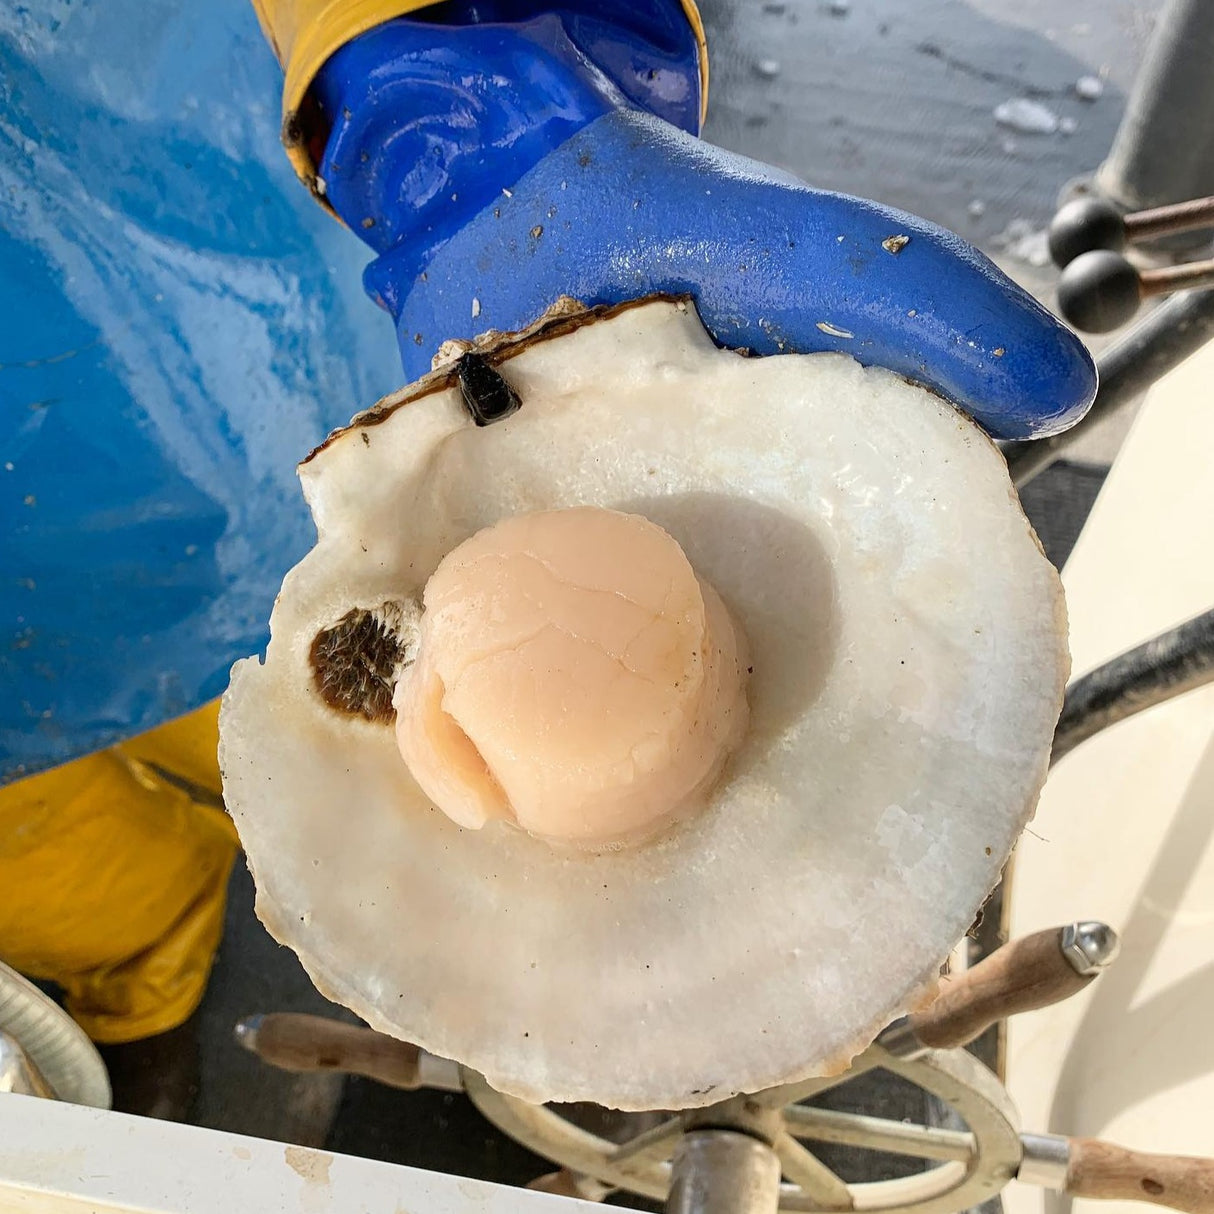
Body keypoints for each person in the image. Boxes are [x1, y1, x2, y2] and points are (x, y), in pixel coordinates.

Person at [0, 0, 1094, 1114]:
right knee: (79, 861)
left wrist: (432, 97)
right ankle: (142, 991)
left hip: (219, 248)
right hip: (25, 685)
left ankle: (154, 962)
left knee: (250, 710)